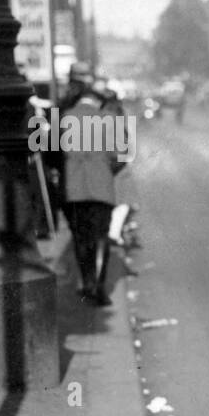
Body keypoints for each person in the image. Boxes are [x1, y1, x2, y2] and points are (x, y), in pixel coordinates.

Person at [63, 82, 127, 305]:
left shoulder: (64, 118)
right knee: (101, 236)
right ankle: (99, 286)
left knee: (81, 237)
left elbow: (53, 156)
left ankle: (87, 281)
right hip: (101, 188)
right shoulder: (108, 120)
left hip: (74, 189)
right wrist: (107, 171)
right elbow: (121, 156)